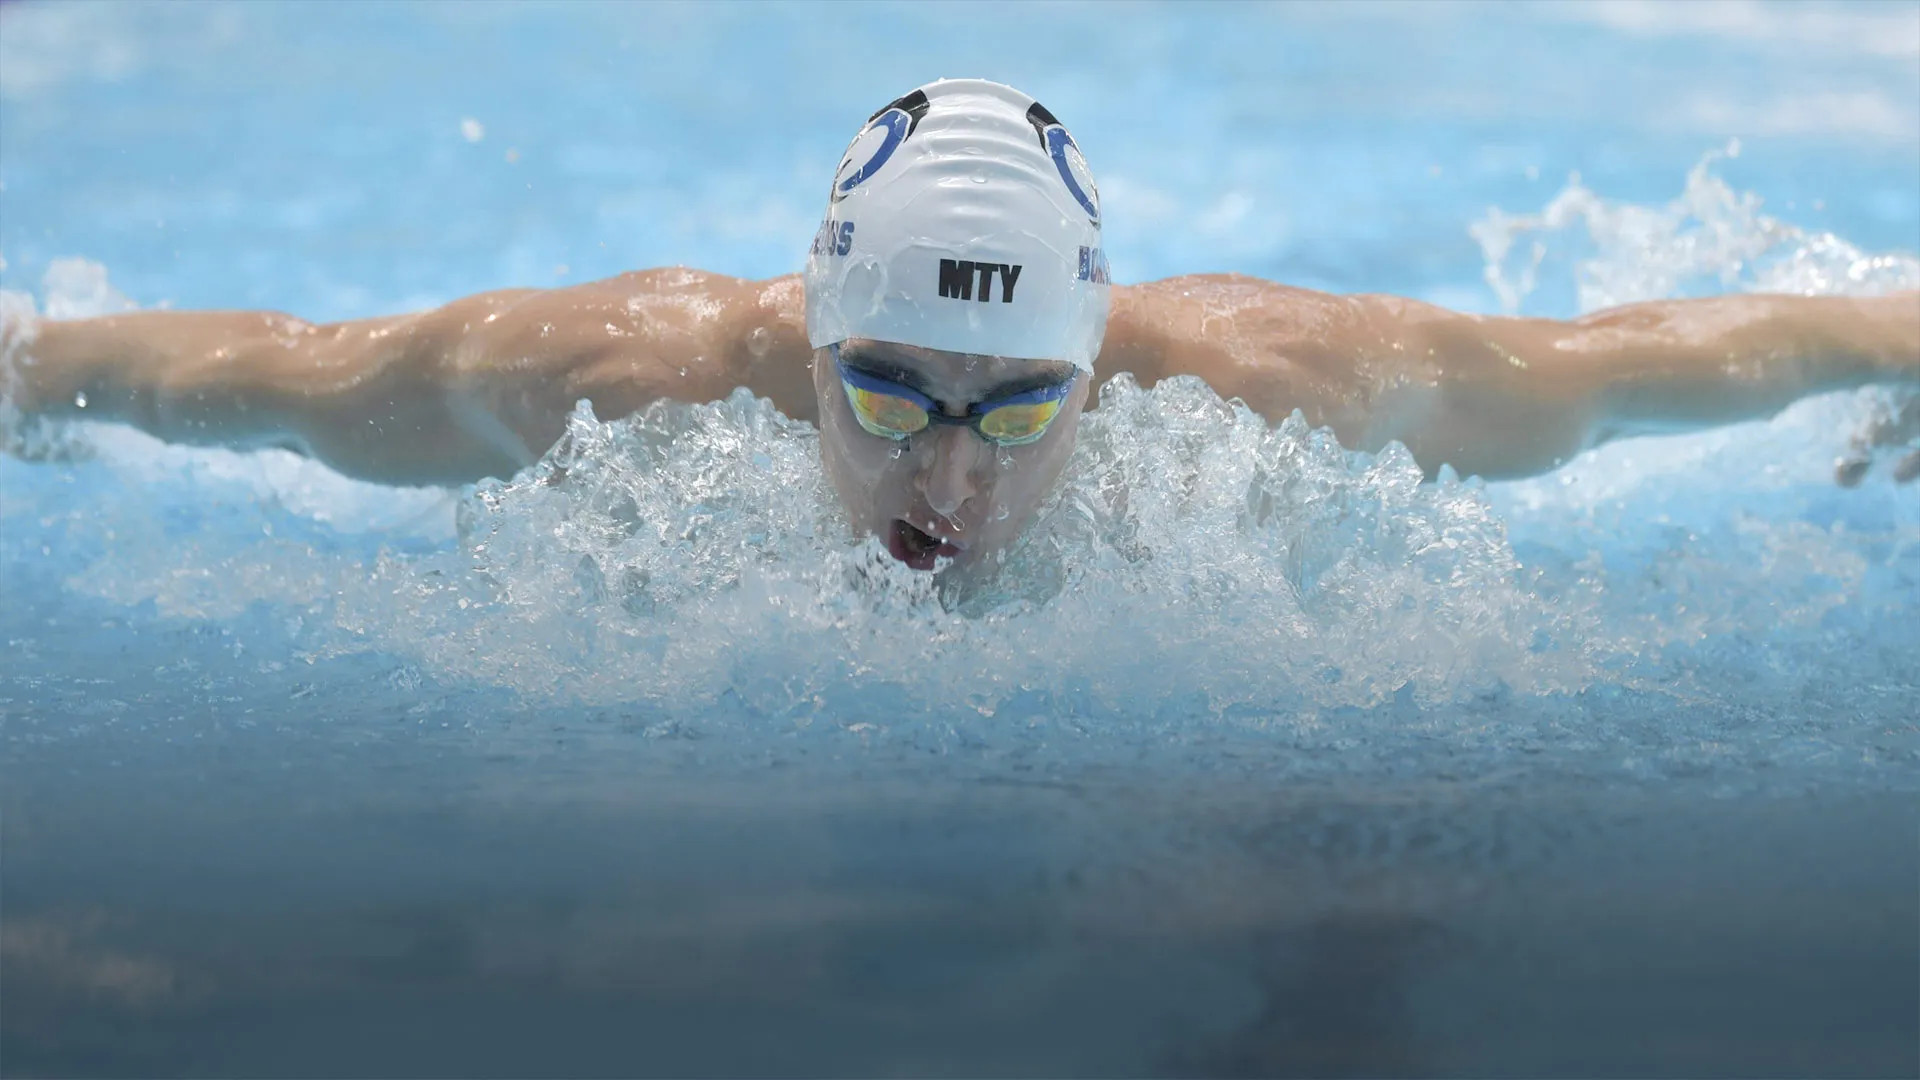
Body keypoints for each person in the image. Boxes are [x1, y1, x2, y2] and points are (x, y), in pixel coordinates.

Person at [3, 79, 1916, 570]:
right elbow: (264, 377)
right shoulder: (607, 383)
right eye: (890, 388)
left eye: (1016, 411)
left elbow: (1631, 367)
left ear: (1098, 369)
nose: (942, 471)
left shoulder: (1265, 387)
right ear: (806, 341)